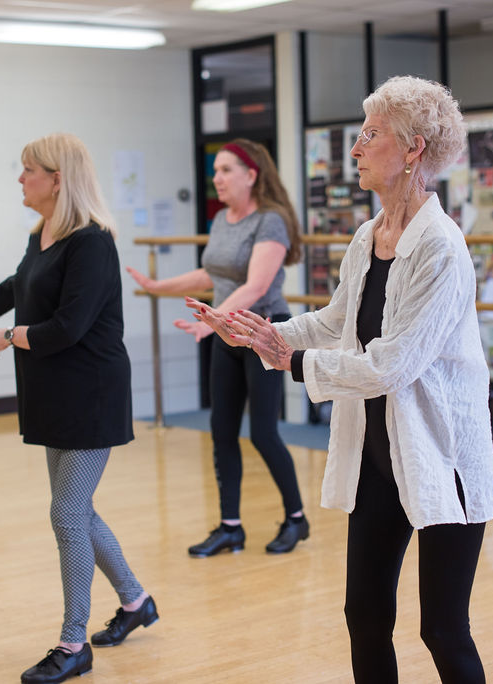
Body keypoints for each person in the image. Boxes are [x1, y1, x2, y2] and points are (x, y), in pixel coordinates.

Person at [189, 76, 493, 683]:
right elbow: (338, 321)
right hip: (381, 457)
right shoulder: (368, 235)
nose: (355, 150)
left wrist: (291, 362)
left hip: (446, 457)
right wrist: (264, 332)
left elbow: (392, 364)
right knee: (363, 612)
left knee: (442, 629)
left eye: (370, 136)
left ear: (413, 150)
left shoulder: (441, 247)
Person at [0, 133, 157, 684]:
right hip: (55, 389)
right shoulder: (45, 232)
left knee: (65, 512)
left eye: (28, 169)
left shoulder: (93, 243)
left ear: (57, 178)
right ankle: (135, 602)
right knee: (76, 509)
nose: (20, 179)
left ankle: (72, 642)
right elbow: (22, 283)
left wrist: (7, 335)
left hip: (91, 391)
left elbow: (67, 328)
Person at [127, 138, 309, 557]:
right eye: (216, 171)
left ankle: (296, 519)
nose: (217, 178)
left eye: (226, 170)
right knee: (221, 431)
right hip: (225, 332)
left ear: (251, 175)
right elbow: (210, 273)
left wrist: (213, 323)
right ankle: (231, 527)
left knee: (263, 433)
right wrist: (158, 287)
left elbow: (257, 285)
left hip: (263, 332)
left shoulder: (271, 220)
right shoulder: (224, 220)